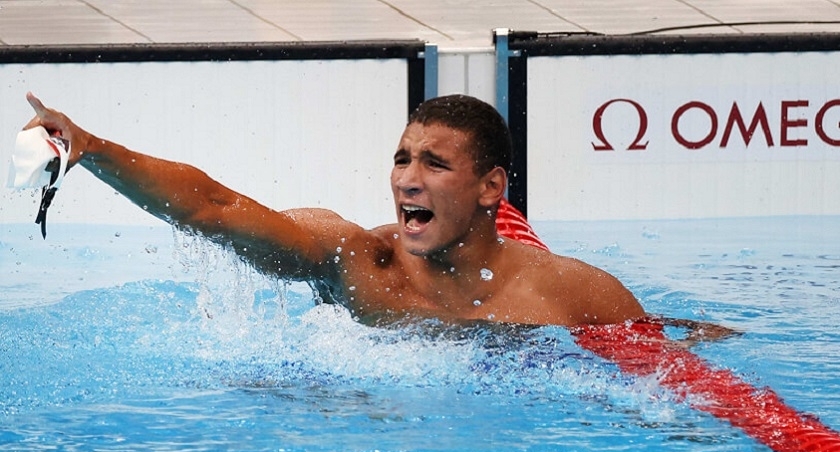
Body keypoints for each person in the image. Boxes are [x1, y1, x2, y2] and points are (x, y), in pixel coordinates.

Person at [22, 92, 651, 329]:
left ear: (491, 186)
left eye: (434, 164)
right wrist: (94, 148)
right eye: (402, 159)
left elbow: (670, 373)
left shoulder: (572, 292)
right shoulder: (357, 260)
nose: (406, 180)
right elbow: (214, 207)